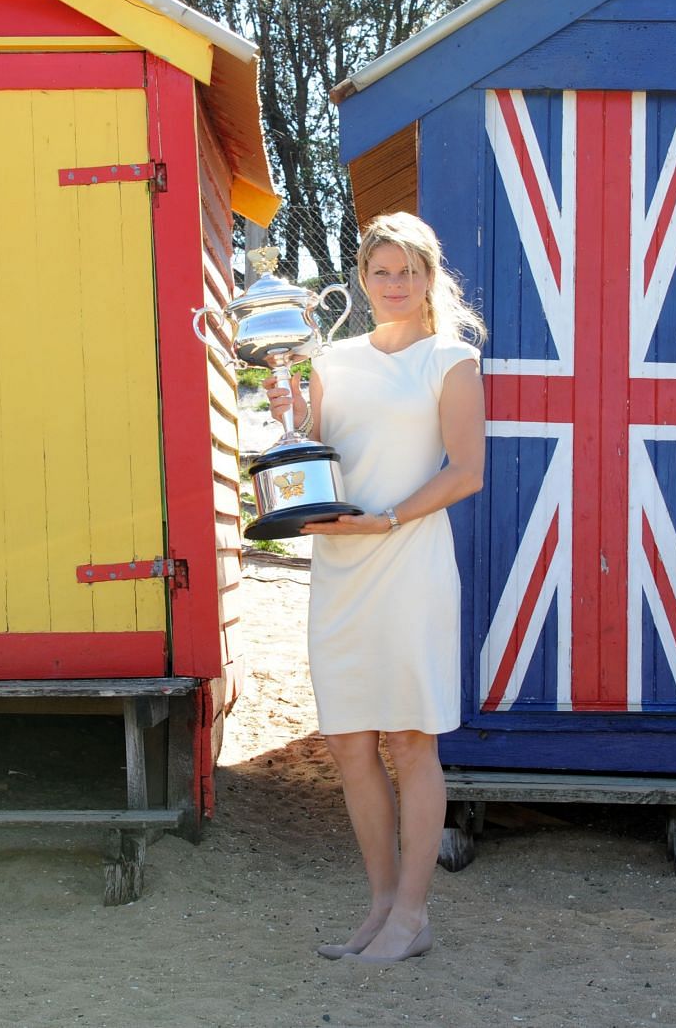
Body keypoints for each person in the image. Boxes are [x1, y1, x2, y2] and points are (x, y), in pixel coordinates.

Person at [263, 211, 486, 965]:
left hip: (411, 562)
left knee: (410, 740)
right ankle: (382, 906)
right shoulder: (334, 359)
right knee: (350, 742)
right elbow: (318, 454)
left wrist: (386, 519)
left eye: (409, 271)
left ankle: (414, 913)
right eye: (381, 272)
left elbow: (466, 470)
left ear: (430, 277)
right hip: (340, 569)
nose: (395, 284)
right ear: (362, 279)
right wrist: (289, 417)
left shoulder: (450, 359)